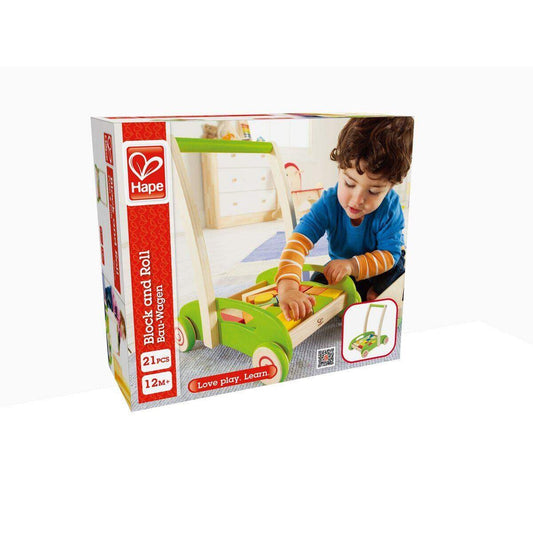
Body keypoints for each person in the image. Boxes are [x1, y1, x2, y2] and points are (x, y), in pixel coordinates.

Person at [276, 116, 413, 321]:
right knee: (318, 281)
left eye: (374, 191)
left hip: (383, 266)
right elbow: (298, 241)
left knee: (397, 277)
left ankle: (375, 294)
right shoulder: (328, 203)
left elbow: (389, 256)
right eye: (349, 183)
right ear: (340, 169)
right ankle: (363, 295)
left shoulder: (389, 209)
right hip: (347, 269)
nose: (357, 200)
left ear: (391, 186)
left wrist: (352, 264)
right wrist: (288, 287)